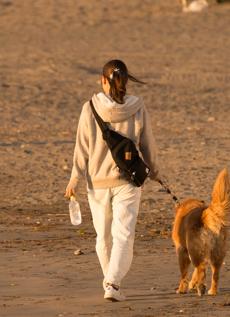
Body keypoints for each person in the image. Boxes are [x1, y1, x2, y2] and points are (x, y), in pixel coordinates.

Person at [65, 60, 160, 302]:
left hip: (96, 183)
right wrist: (155, 172)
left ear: (103, 80)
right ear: (126, 80)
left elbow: (81, 148)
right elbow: (148, 144)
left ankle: (111, 283)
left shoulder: (89, 107)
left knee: (103, 238)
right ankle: (113, 284)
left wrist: (74, 180)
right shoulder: (138, 107)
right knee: (123, 236)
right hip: (128, 180)